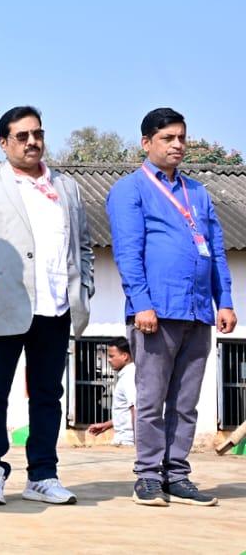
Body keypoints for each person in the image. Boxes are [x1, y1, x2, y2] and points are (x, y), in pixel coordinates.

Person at [106, 107, 235, 507]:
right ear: (146, 142)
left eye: (181, 137)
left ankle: (177, 475)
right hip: (155, 313)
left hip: (197, 311)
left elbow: (215, 250)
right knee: (150, 399)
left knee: (185, 402)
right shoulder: (130, 190)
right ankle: (147, 476)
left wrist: (225, 301)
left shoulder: (197, 192)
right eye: (167, 138)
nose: (177, 144)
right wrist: (141, 303)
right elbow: (128, 253)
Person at [0, 106, 94, 506]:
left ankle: (42, 475)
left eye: (37, 134)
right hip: (2, 305)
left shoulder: (67, 187)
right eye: (21, 136)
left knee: (47, 395)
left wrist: (84, 288)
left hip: (55, 307)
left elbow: (84, 245)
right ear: (3, 143)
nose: (32, 142)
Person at [86, 338, 136, 447]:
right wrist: (107, 425)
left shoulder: (129, 377)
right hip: (124, 440)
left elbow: (136, 409)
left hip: (128, 442)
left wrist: (139, 442)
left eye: (112, 356)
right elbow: (126, 412)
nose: (109, 360)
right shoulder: (126, 375)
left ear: (125, 356)